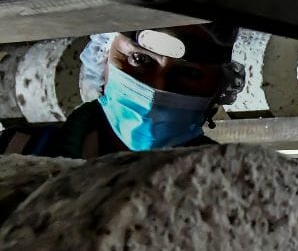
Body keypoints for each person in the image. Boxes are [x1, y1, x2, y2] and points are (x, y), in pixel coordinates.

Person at [2, 24, 244, 158]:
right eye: (139, 59)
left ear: (216, 90)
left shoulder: (237, 185)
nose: (156, 89)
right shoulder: (17, 153)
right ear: (103, 58)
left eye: (190, 74)